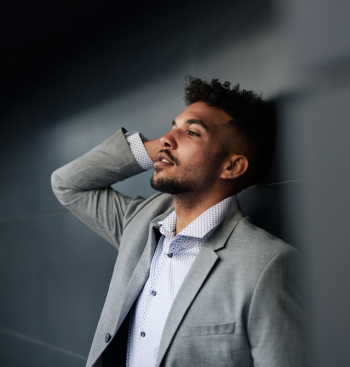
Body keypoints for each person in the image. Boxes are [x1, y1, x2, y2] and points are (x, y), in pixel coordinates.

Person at [51, 76, 307, 367]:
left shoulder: (268, 265)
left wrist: (170, 151)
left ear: (232, 166)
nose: (166, 138)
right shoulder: (138, 224)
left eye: (193, 133)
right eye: (172, 127)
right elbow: (67, 184)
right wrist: (163, 150)